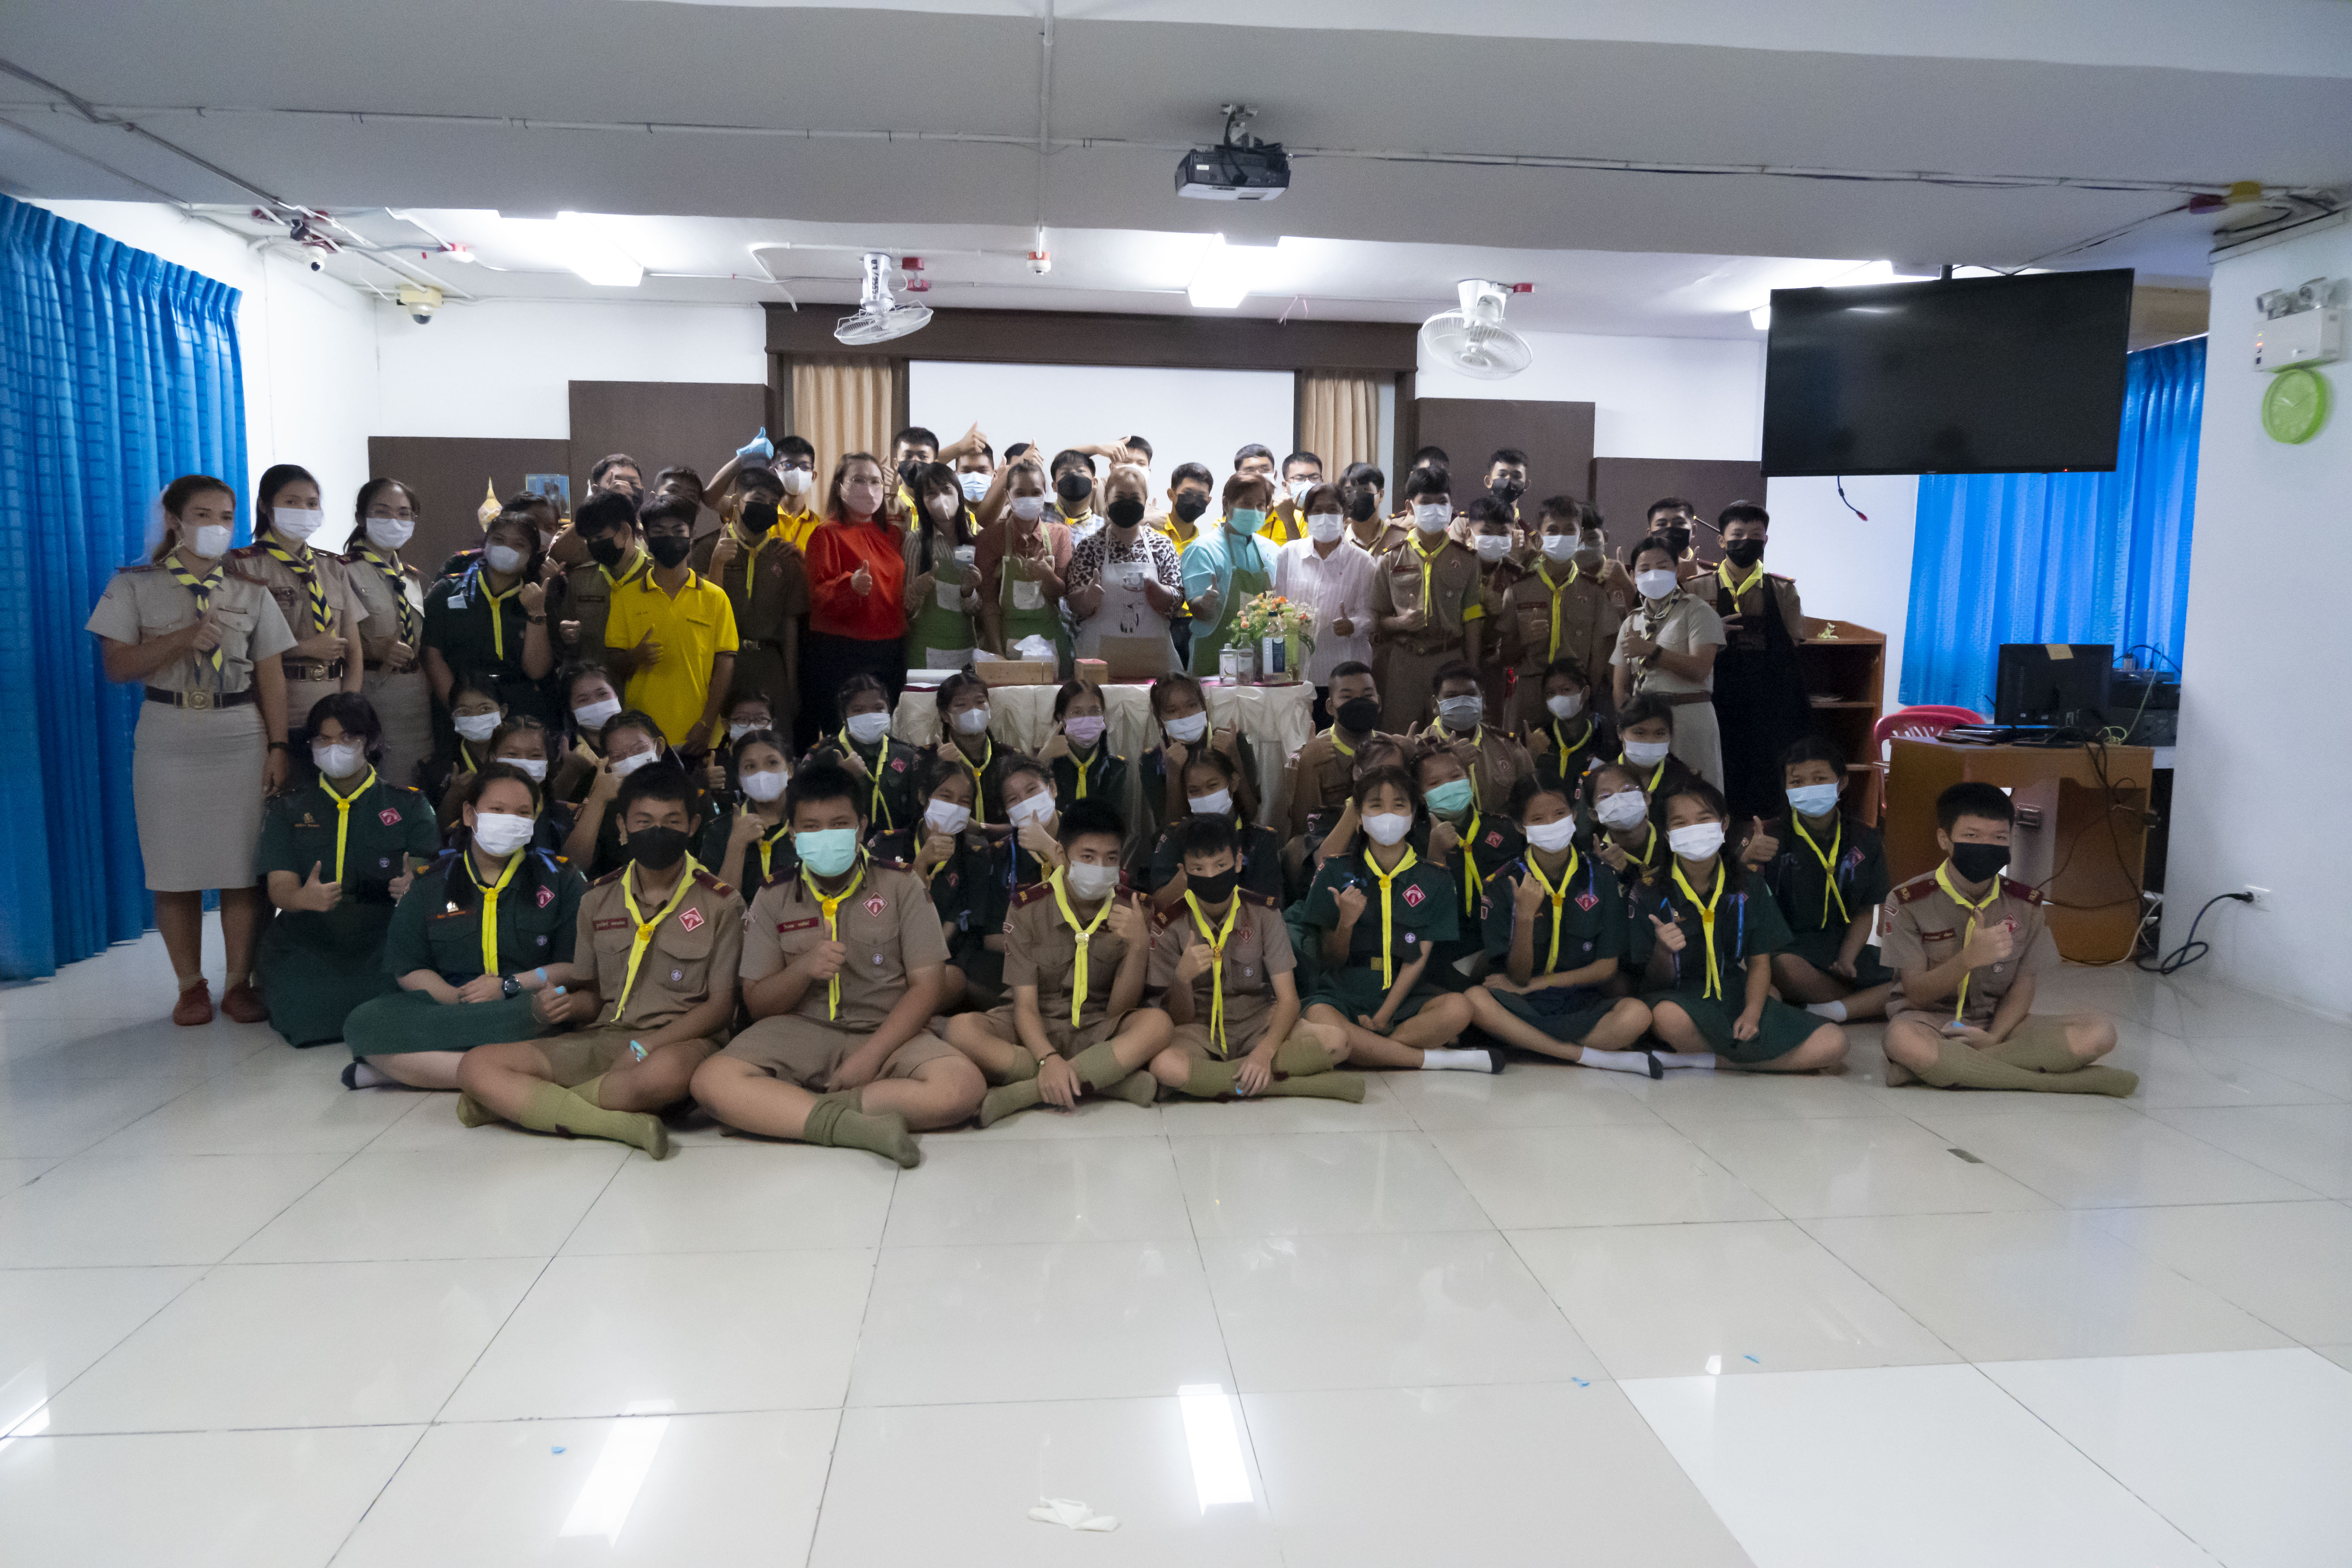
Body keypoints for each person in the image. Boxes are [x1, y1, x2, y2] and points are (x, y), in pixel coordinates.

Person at [690, 759, 986, 1163]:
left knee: (962, 1087)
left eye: (839, 824)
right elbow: (758, 1003)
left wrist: (871, 1056)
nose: (825, 837)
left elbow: (927, 986)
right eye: (811, 827)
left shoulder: (901, 885)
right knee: (710, 1080)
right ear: (793, 835)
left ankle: (784, 1111)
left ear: (861, 827)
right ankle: (853, 1126)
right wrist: (803, 968)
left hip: (886, 1027)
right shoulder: (773, 895)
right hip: (800, 1029)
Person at [455, 761, 744, 1156]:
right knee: (476, 1065)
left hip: (679, 1042)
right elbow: (592, 997)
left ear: (693, 826)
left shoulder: (721, 902)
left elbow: (721, 1008)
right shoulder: (597, 898)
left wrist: (646, 1045)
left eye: (672, 821)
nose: (657, 831)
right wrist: (563, 1004)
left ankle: (521, 1104)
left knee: (665, 1076)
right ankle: (615, 1123)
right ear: (623, 826)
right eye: (644, 821)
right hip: (604, 1037)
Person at [87, 475, 295, 1024]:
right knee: (173, 868)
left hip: (239, 732)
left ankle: (238, 983)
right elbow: (116, 667)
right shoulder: (133, 585)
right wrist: (182, 637)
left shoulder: (250, 590)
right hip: (169, 732)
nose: (217, 527)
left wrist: (278, 745)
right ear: (175, 521)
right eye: (203, 515)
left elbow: (271, 676)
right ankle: (190, 986)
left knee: (242, 868)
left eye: (226, 517)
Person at [1879, 782, 2133, 1095]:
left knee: (2099, 1033)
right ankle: (2060, 1083)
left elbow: (2024, 984)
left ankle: (1939, 1070)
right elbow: (1916, 994)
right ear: (1944, 839)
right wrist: (1968, 959)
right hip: (1928, 1022)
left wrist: (1995, 1037)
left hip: (1997, 1022)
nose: (1986, 845)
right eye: (1972, 836)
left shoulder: (2025, 904)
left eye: (1999, 838)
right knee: (1903, 1042)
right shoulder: (1907, 901)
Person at [341, 762, 585, 1087]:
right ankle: (502, 1070)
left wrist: (509, 986)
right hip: (456, 1008)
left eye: (523, 813)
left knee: (558, 1011)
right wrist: (458, 1000)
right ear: (470, 814)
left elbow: (573, 966)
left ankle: (411, 1071)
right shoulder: (429, 883)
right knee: (365, 1022)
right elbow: (409, 967)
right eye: (497, 810)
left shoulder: (562, 880)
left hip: (526, 1002)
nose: (511, 819)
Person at [942, 801, 1172, 1124]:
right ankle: (1108, 1081)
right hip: (1035, 1024)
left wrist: (1137, 947)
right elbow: (1025, 1006)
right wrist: (1047, 1057)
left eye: (1111, 859)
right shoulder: (1027, 909)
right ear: (1062, 855)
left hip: (1097, 1026)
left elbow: (1118, 1011)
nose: (1100, 867)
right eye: (1088, 857)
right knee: (960, 1030)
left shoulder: (1135, 909)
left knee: (1159, 1025)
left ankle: (1028, 1092)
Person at [253, 693, 440, 1048]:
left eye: (347, 738)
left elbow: (423, 873)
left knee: (399, 1001)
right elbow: (279, 887)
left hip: (383, 939)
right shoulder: (287, 809)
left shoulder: (410, 805)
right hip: (309, 940)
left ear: (370, 742)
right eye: (323, 739)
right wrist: (302, 898)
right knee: (305, 1016)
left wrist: (412, 885)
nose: (334, 748)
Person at [1627, 779, 1847, 1073]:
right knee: (1668, 1018)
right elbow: (1651, 983)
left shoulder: (1749, 884)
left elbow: (1760, 962)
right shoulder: (1647, 890)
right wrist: (1663, 952)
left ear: (1724, 824)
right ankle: (1745, 1061)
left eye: (1704, 819)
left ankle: (1707, 1060)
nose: (1694, 829)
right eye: (1680, 823)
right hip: (1678, 997)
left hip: (1733, 991)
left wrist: (1752, 1014)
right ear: (1667, 834)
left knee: (1835, 1042)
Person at [1145, 815, 1361, 1102]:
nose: (1211, 876)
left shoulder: (1263, 913)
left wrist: (1265, 1051)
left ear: (1237, 862)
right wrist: (1182, 979)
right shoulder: (1170, 923)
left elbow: (1289, 1000)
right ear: (1184, 872)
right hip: (1201, 1028)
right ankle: (1298, 1085)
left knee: (1339, 1042)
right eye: (1198, 869)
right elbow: (1179, 1018)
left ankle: (1212, 1081)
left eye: (1220, 865)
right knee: (1164, 1065)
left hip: (1258, 1020)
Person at [1296, 764, 1491, 1072]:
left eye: (1399, 805)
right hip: (1343, 991)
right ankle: (1433, 1059)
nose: (1388, 814)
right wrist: (1346, 923)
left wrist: (1383, 1017)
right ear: (1359, 817)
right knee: (1321, 1018)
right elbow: (1330, 959)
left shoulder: (1435, 879)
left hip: (1404, 997)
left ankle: (1370, 1047)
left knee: (1459, 1008)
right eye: (1376, 805)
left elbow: (1418, 959)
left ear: (1413, 815)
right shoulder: (1334, 872)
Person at [1462, 775, 1656, 1073]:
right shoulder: (1503, 883)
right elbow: (1518, 977)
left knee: (1637, 1014)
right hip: (1523, 1001)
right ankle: (1580, 1054)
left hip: (1580, 999)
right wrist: (1524, 918)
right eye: (1538, 819)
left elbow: (1606, 968)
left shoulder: (1602, 877)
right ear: (1520, 826)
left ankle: (1530, 1043)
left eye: (1560, 814)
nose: (1551, 824)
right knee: (1474, 1000)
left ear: (1574, 814)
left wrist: (1539, 984)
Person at [1740, 737, 1895, 1023]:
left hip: (1844, 942)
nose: (1808, 788)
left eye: (1820, 779)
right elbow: (1735, 897)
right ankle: (1858, 1005)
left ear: (1842, 783)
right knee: (1784, 969)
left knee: (1909, 977)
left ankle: (1823, 1010)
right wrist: (1747, 860)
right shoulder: (1766, 835)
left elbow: (1866, 910)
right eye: (1796, 782)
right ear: (1786, 788)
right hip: (1789, 946)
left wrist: (1847, 957)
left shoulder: (1865, 837)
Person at [1691, 501, 1817, 817]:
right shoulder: (1697, 588)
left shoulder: (1783, 590)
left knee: (1768, 781)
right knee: (1717, 776)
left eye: (1755, 535)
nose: (1746, 541)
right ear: (1721, 540)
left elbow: (1792, 643)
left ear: (1766, 540)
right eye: (1737, 535)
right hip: (1716, 699)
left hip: (1769, 703)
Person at [232, 464, 366, 743]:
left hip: (331, 712)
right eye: (291, 502)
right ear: (265, 506)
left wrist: (347, 709)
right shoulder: (242, 566)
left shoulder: (333, 567)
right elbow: (237, 647)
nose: (303, 510)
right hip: (272, 711)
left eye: (312, 504)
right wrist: (304, 648)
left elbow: (353, 650)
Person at [600, 492, 738, 758]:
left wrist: (707, 723)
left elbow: (725, 665)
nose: (669, 537)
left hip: (699, 734)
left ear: (692, 535)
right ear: (646, 537)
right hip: (642, 738)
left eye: (678, 531)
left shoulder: (715, 598)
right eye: (659, 531)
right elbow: (613, 664)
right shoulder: (626, 597)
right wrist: (636, 657)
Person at [873, 754, 1002, 1011]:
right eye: (945, 796)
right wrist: (920, 865)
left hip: (943, 958)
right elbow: (881, 916)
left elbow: (954, 927)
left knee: (946, 981)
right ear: (924, 797)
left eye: (964, 802)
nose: (955, 806)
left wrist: (922, 963)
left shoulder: (975, 857)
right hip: (886, 951)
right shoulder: (885, 845)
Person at [693, 463, 808, 739]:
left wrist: (791, 685)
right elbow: (700, 613)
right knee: (719, 743)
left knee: (775, 744)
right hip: (720, 662)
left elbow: (790, 627)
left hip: (769, 664)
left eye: (773, 503)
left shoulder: (785, 557)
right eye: (758, 499)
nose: (766, 507)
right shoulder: (707, 548)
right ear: (736, 501)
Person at [801, 452, 908, 746]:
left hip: (890, 649)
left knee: (885, 734)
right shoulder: (826, 533)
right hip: (842, 651)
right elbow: (818, 594)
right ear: (840, 487)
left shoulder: (893, 534)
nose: (869, 488)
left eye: (875, 481)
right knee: (844, 736)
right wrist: (851, 586)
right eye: (858, 480)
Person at [1370, 466, 1483, 731]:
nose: (1435, 508)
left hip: (1449, 659)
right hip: (1404, 661)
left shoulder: (1467, 560)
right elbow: (1377, 619)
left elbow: (1473, 619)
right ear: (1410, 507)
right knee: (1400, 735)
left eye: (1442, 502)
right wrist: (1401, 623)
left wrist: (1472, 670)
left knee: (1451, 735)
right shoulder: (1390, 558)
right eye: (1426, 502)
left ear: (1451, 506)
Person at [421, 504, 555, 724]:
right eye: (499, 540)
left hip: (520, 710)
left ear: (531, 555)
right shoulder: (447, 591)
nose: (507, 549)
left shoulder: (537, 597)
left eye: (519, 544)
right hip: (460, 705)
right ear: (486, 545)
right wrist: (459, 709)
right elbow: (431, 655)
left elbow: (537, 671)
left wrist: (536, 612)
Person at [1501, 497, 1624, 735]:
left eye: (1570, 530)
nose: (1561, 537)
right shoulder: (1518, 589)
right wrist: (1525, 639)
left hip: (1575, 695)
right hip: (1531, 692)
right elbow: (1506, 656)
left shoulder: (1595, 591)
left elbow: (1600, 653)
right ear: (1539, 537)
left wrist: (1585, 694)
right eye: (1553, 530)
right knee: (1526, 753)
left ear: (1581, 536)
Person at [1612, 534, 1725, 789]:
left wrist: (1653, 651)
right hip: (1645, 725)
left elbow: (1700, 669)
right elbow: (1619, 688)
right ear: (1634, 576)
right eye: (1645, 569)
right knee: (1648, 794)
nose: (1653, 574)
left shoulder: (1698, 611)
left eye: (1663, 567)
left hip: (1689, 718)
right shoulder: (1632, 621)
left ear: (1676, 571)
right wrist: (1630, 725)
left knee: (1697, 793)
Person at [345, 478, 434, 787]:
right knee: (380, 784)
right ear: (361, 517)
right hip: (372, 690)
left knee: (419, 782)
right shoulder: (342, 570)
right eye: (381, 512)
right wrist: (374, 649)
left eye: (403, 514)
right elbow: (332, 638)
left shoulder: (410, 577)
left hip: (415, 696)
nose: (394, 521)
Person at [1415, 737, 1523, 985]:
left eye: (1455, 776)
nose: (1448, 787)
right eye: (1435, 783)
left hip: (1504, 941)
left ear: (1468, 778)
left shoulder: (1505, 829)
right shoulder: (1414, 839)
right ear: (1422, 796)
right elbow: (1419, 911)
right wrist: (1435, 855)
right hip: (1446, 951)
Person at [1273, 481, 1376, 724]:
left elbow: (1372, 615)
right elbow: (1278, 607)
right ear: (1306, 516)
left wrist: (1353, 625)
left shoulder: (1362, 562)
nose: (1324, 516)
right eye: (1317, 511)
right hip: (1296, 673)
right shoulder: (1289, 554)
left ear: (1345, 515)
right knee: (1299, 738)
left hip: (1343, 675)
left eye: (1332, 510)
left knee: (1341, 738)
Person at [1066, 462, 1181, 676]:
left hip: (1155, 667)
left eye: (1135, 499)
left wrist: (1157, 590)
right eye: (1119, 497)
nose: (1127, 504)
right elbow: (1074, 604)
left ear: (1145, 502)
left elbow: (1176, 600)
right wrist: (1088, 596)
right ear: (1107, 500)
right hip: (1098, 667)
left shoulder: (1162, 545)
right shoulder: (1090, 547)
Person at [1141, 745, 1280, 909]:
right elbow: (1159, 905)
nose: (1205, 796)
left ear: (1233, 782)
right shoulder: (1175, 837)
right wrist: (1190, 875)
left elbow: (1269, 907)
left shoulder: (1261, 840)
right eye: (1194, 791)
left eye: (1213, 786)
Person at [562, 709, 687, 878]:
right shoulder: (603, 807)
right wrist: (598, 799)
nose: (630, 760)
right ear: (608, 762)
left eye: (639, 750)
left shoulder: (690, 799)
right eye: (618, 756)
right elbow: (573, 868)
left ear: (659, 747)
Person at [974, 457, 1072, 672]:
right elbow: (989, 604)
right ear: (1008, 495)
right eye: (1020, 493)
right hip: (1007, 640)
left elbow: (1061, 593)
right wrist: (998, 655)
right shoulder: (989, 539)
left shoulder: (1060, 535)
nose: (1029, 499)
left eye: (1036, 493)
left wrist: (1047, 576)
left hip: (1051, 642)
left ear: (1045, 494)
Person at [1137, 671, 1258, 844]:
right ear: (1160, 719)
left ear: (1204, 707)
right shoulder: (1152, 761)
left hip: (1235, 839)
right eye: (1172, 710)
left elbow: (1251, 813)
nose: (1184, 715)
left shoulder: (1235, 743)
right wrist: (1173, 776)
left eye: (1192, 705)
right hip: (1183, 845)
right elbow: (1171, 828)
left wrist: (1235, 759)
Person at [1181, 471, 1279, 678]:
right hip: (1212, 660)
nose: (1254, 511)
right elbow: (1198, 610)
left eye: (1261, 505)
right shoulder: (1204, 549)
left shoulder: (1271, 550)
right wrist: (1205, 604)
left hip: (1260, 662)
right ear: (1227, 504)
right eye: (1246, 504)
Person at [1281, 661, 1389, 841]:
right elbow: (1301, 830)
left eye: (1367, 695)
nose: (1358, 703)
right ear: (1330, 707)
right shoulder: (1306, 756)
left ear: (1379, 703)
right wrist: (1308, 767)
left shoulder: (1392, 750)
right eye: (1347, 697)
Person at [899, 460, 982, 673]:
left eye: (946, 490)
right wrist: (917, 589)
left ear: (959, 494)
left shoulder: (974, 540)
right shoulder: (915, 542)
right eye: (931, 493)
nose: (941, 498)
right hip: (926, 653)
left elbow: (978, 611)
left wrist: (968, 591)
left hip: (967, 651)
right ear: (922, 502)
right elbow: (905, 608)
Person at [551, 489, 647, 661]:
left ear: (625, 531)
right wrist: (570, 635)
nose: (594, 545)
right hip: (594, 675)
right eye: (589, 540)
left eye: (599, 537)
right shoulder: (580, 580)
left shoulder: (655, 577)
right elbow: (568, 639)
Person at [1428, 659, 1534, 813]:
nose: (1462, 702)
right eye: (1452, 696)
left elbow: (1532, 802)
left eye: (1470, 694)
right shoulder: (1421, 748)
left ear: (1483, 700)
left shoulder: (1508, 746)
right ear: (1435, 705)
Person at [697, 728, 795, 895]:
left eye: (772, 763)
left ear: (790, 770)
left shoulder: (810, 823)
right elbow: (717, 904)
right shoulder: (718, 831)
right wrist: (736, 845)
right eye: (750, 766)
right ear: (740, 780)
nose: (762, 774)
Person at [931, 670, 1020, 824]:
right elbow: (922, 820)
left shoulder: (1011, 757)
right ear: (945, 715)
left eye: (980, 702)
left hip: (1006, 839)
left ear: (989, 707)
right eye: (961, 705)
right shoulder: (928, 759)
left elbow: (1024, 820)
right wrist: (942, 770)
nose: (973, 711)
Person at [1465, 498, 1526, 716]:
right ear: (1469, 533)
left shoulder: (1517, 576)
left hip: (1494, 664)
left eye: (1503, 533)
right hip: (1455, 656)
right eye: (1486, 532)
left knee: (1493, 721)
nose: (1495, 539)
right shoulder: (1457, 566)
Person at [420, 669, 509, 818]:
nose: (476, 718)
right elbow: (433, 828)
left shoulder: (519, 757)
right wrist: (454, 795)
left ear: (503, 711)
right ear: (453, 717)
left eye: (485, 709)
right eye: (464, 712)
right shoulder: (436, 768)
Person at [1527, 657, 1615, 800]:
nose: (1558, 698)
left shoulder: (1604, 734)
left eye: (1566, 690)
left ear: (1585, 693)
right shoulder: (1541, 738)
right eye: (1551, 693)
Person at [1040, 678, 1128, 813]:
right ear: (1062, 718)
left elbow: (1113, 820)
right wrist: (1043, 760)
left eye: (1094, 711)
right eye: (1077, 713)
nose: (1087, 719)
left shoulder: (1115, 768)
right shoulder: (1048, 763)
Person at [1585, 761, 1668, 900]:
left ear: (1646, 797)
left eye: (1627, 790)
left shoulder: (1671, 840)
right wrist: (1602, 875)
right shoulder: (1593, 858)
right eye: (1606, 796)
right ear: (1594, 814)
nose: (1619, 799)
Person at [1607, 691, 1698, 818]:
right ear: (1620, 733)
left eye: (1660, 734)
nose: (1650, 741)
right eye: (1640, 733)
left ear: (1671, 735)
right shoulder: (1602, 781)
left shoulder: (1684, 781)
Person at [1267, 448, 1323, 544]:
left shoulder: (1329, 515)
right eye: (1299, 478)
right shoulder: (1272, 512)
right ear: (1285, 486)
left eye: (1314, 478)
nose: (1308, 483)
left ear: (1322, 481)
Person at [1339, 461, 1394, 552]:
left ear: (1381, 495)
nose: (1356, 497)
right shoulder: (1337, 544)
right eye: (1349, 492)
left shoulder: (1398, 540)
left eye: (1364, 490)